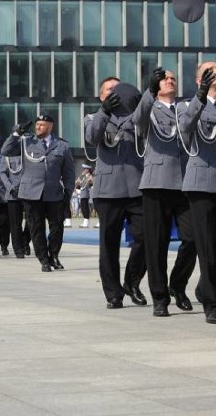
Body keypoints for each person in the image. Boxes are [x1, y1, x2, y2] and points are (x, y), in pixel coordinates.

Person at [178, 61, 216, 325]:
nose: (215, 71)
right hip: (201, 183)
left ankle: (205, 287)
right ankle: (213, 304)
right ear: (197, 79)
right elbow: (185, 127)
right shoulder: (187, 104)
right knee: (207, 247)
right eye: (207, 70)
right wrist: (201, 96)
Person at [133, 68, 196, 317]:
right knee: (156, 243)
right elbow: (138, 119)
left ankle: (177, 285)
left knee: (193, 238)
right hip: (157, 183)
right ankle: (159, 297)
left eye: (173, 78)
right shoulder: (150, 107)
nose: (170, 81)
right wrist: (149, 91)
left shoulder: (184, 108)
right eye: (165, 79)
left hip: (185, 182)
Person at [84, 77, 147, 309]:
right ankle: (113, 293)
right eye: (110, 90)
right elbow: (92, 137)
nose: (115, 93)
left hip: (136, 187)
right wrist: (104, 112)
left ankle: (132, 281)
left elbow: (147, 134)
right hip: (108, 191)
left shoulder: (136, 117)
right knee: (108, 244)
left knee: (147, 238)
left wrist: (143, 106)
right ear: (102, 96)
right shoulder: (93, 117)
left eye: (119, 89)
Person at [2, 114, 76, 272]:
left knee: (57, 227)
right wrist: (16, 134)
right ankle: (43, 259)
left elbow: (69, 172)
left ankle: (54, 255)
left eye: (42, 125)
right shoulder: (26, 141)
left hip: (54, 193)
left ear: (50, 127)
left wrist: (68, 192)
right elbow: (5, 151)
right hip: (31, 193)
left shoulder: (61, 146)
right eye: (37, 125)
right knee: (36, 228)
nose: (38, 127)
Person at [0, 151, 30, 258]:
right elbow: (2, 173)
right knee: (15, 224)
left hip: (29, 192)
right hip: (13, 194)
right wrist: (10, 187)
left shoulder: (29, 152)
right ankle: (19, 249)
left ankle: (25, 241)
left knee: (32, 221)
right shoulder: (7, 155)